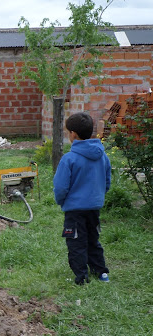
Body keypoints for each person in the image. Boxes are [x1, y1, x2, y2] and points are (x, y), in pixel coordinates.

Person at [53, 112, 111, 285]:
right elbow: (107, 181)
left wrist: (61, 200)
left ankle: (81, 277)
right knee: (93, 239)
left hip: (74, 209)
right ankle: (101, 273)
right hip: (94, 206)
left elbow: (61, 187)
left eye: (68, 132)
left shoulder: (69, 159)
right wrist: (98, 196)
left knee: (76, 242)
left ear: (73, 134)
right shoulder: (102, 156)